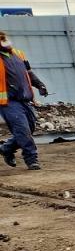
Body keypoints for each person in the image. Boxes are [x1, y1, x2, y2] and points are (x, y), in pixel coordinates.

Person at [0, 31, 50, 170]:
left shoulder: (18, 54)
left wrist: (39, 85)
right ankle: (31, 159)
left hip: (24, 100)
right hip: (8, 102)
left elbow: (28, 72)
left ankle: (6, 148)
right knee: (22, 130)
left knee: (30, 128)